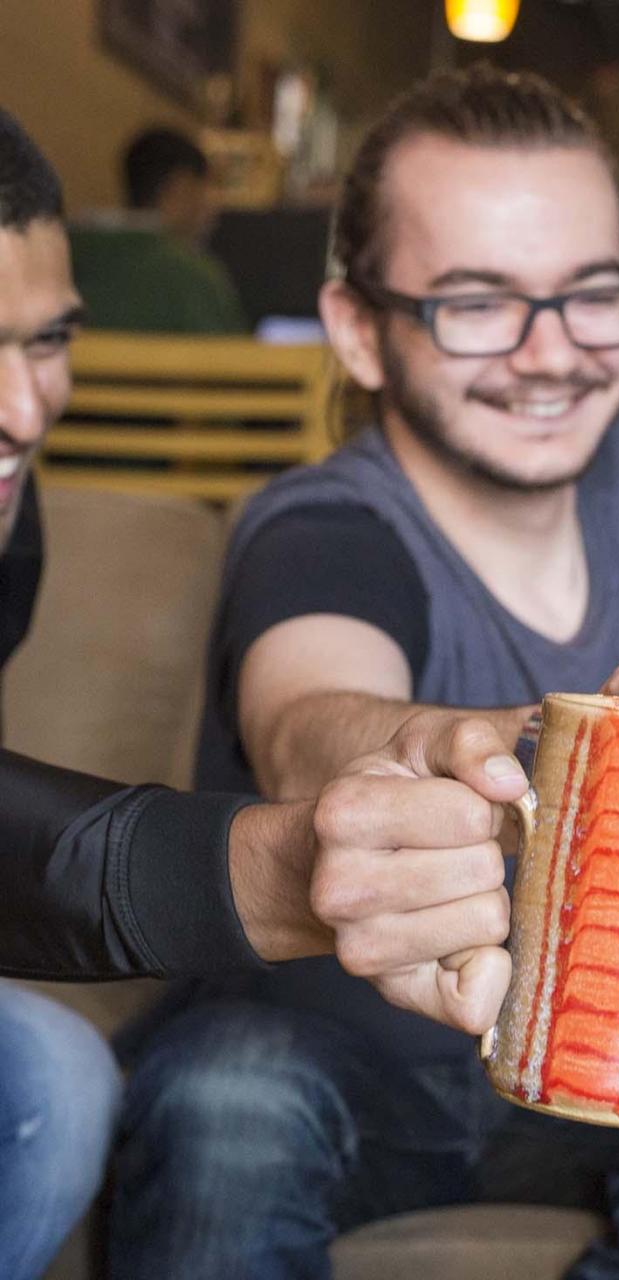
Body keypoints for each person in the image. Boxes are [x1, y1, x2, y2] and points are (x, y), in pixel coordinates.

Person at [111, 67, 619, 1280]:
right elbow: (310, 720)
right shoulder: (320, 521)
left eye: (591, 295)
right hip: (330, 1062)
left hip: (615, 1058)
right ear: (360, 329)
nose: (552, 356)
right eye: (479, 303)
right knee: (226, 1099)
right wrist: (493, 744)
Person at [0, 106, 534, 1280]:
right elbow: (301, 722)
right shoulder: (324, 518)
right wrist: (288, 868)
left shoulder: (10, 521)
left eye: (46, 343)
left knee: (50, 1077)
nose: (28, 413)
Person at [65, 126, 248, 333]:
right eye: (207, 191)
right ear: (180, 188)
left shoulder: (61, 258)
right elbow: (233, 360)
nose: (212, 213)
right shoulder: (193, 279)